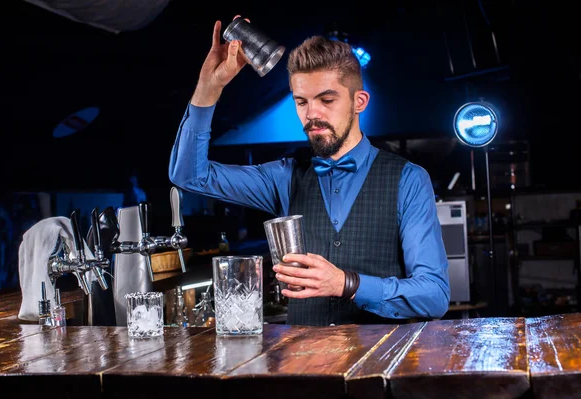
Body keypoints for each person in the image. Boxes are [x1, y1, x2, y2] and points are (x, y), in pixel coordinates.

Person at [169, 16, 450, 326]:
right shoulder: (283, 177)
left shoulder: (408, 180)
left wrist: (347, 283)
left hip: (377, 367)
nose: (312, 114)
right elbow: (189, 176)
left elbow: (434, 296)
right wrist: (209, 88)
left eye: (326, 99)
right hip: (304, 368)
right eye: (301, 101)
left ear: (359, 101)